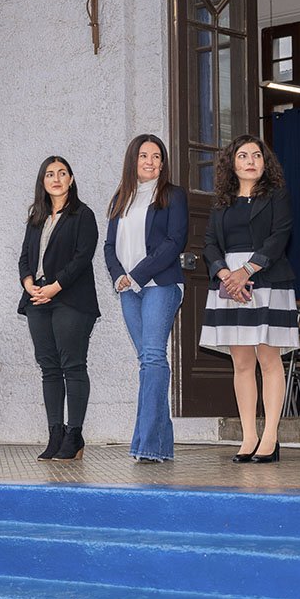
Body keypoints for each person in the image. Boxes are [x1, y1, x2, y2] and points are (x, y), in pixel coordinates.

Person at [199, 135, 298, 464]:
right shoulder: (222, 201)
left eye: (257, 155)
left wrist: (247, 271)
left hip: (266, 279)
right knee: (242, 363)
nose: (251, 161)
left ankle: (270, 436)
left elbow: (280, 235)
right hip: (230, 284)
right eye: (243, 156)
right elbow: (210, 243)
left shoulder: (276, 195)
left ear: (265, 162)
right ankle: (249, 436)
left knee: (269, 360)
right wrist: (227, 275)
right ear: (233, 163)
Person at [104, 134, 188, 463]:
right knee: (148, 364)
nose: (150, 161)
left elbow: (174, 241)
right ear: (133, 161)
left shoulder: (173, 195)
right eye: (143, 156)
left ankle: (147, 444)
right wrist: (118, 278)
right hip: (129, 289)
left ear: (163, 163)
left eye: (156, 156)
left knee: (152, 358)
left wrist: (136, 274)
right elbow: (110, 247)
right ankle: (160, 444)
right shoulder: (120, 198)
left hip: (161, 285)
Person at [18, 156, 100, 461]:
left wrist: (55, 286)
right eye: (50, 174)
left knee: (73, 366)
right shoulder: (36, 217)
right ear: (43, 181)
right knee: (49, 368)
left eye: (62, 173)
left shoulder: (83, 215)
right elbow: (24, 257)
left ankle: (74, 435)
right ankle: (55, 434)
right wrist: (28, 283)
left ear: (71, 178)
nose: (56, 179)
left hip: (71, 300)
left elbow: (82, 258)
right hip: (37, 299)